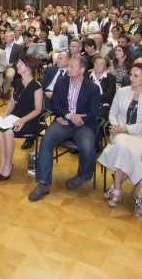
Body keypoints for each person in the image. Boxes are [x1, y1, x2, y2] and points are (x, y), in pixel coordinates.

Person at [28, 56, 101, 201]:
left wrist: (72, 120)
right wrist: (68, 116)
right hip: (63, 120)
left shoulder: (92, 88)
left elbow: (93, 114)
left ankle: (83, 175)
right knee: (46, 140)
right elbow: (56, 105)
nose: (68, 69)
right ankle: (43, 183)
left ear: (82, 70)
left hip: (83, 124)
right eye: (69, 66)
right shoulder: (61, 83)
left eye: (72, 67)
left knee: (87, 146)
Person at [98, 63, 142, 208]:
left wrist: (125, 129)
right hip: (121, 134)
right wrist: (115, 126)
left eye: (135, 75)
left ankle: (116, 187)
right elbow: (112, 113)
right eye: (131, 75)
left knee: (123, 150)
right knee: (122, 146)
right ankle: (117, 189)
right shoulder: (122, 92)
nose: (131, 78)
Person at [0, 55, 43, 180]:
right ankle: (4, 163)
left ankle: (8, 165)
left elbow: (38, 110)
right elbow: (12, 102)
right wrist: (5, 115)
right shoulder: (16, 82)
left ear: (29, 67)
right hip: (15, 116)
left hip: (29, 120)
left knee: (8, 132)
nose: (17, 65)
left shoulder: (37, 86)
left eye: (21, 64)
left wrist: (21, 120)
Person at [89, 54, 117, 120]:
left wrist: (91, 99)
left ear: (106, 66)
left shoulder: (111, 78)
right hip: (86, 106)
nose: (98, 66)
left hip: (103, 107)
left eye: (101, 64)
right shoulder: (87, 76)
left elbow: (109, 96)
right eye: (96, 64)